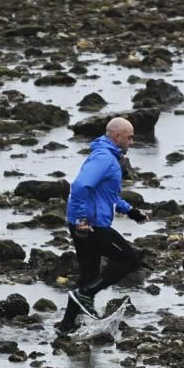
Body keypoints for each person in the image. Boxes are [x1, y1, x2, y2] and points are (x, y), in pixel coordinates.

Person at [56, 116, 149, 334]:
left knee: (88, 274)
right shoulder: (105, 158)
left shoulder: (106, 155)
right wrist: (82, 220)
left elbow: (107, 194)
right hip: (91, 225)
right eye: (130, 137)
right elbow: (79, 186)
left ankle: (66, 326)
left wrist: (131, 211)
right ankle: (86, 295)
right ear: (117, 137)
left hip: (85, 224)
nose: (132, 142)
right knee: (129, 260)